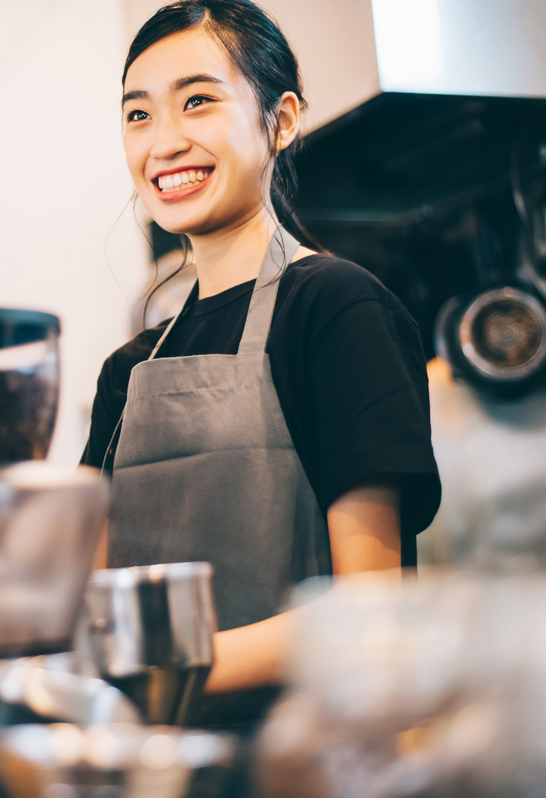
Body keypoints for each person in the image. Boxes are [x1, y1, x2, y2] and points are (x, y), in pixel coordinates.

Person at [81, 0, 441, 729]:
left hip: (309, 760)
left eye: (199, 102)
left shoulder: (336, 309)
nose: (164, 143)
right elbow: (90, 607)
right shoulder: (128, 370)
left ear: (280, 121)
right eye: (139, 116)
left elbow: (371, 615)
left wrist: (162, 671)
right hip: (157, 768)